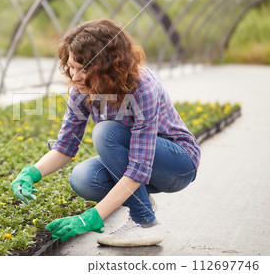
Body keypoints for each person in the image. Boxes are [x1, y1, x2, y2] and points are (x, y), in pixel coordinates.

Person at [10, 18, 201, 247]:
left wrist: (91, 217)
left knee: (106, 132)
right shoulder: (82, 90)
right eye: (71, 66)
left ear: (108, 67)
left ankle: (144, 224)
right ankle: (142, 201)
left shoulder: (142, 87)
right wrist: (31, 173)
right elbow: (65, 147)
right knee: (83, 178)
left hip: (177, 165)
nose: (75, 77)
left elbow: (140, 166)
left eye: (84, 70)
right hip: (141, 166)